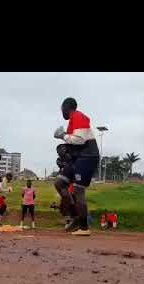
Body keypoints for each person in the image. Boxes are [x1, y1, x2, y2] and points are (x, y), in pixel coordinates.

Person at [54, 98, 100, 236]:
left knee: (79, 191)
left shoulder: (78, 116)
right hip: (77, 158)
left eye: (61, 108)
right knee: (60, 183)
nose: (61, 111)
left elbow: (80, 140)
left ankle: (84, 228)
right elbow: (73, 143)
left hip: (87, 157)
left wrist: (62, 135)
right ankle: (75, 217)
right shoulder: (72, 121)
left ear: (66, 107)